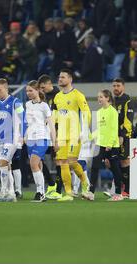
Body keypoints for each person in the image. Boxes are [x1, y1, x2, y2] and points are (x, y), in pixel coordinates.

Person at [51, 69, 91, 202]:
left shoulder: (78, 95)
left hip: (75, 134)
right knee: (62, 162)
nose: (60, 79)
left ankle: (85, 182)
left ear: (70, 79)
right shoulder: (57, 97)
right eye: (59, 77)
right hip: (61, 135)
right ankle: (68, 193)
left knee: (72, 162)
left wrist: (84, 131)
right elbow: (55, 117)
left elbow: (86, 112)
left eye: (63, 77)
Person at [89, 89, 124, 202]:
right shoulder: (99, 112)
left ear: (107, 98)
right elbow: (100, 129)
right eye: (98, 97)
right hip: (100, 144)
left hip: (112, 145)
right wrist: (89, 137)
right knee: (94, 166)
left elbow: (114, 129)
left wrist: (109, 144)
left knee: (115, 169)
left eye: (101, 97)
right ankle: (91, 192)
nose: (99, 99)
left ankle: (119, 193)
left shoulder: (113, 111)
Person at [25, 80, 56, 202]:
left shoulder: (44, 106)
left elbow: (51, 124)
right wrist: (24, 136)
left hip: (42, 137)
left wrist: (55, 141)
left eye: (31, 90)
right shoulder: (27, 104)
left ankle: (40, 193)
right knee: (38, 165)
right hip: (31, 139)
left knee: (33, 163)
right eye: (27, 91)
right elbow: (28, 123)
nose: (28, 93)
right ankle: (41, 191)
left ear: (37, 90)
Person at [38, 75, 60, 198]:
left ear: (49, 83)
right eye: (40, 88)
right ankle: (52, 184)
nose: (41, 90)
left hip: (55, 132)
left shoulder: (59, 95)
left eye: (43, 87)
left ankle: (58, 187)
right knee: (37, 157)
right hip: (44, 132)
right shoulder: (43, 97)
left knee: (58, 161)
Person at [112, 78, 133, 197]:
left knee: (124, 161)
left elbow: (128, 120)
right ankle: (119, 185)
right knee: (112, 161)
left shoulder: (126, 100)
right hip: (113, 136)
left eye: (118, 86)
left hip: (123, 136)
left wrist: (122, 135)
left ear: (123, 87)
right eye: (114, 86)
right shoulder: (113, 101)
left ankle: (127, 189)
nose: (116, 88)